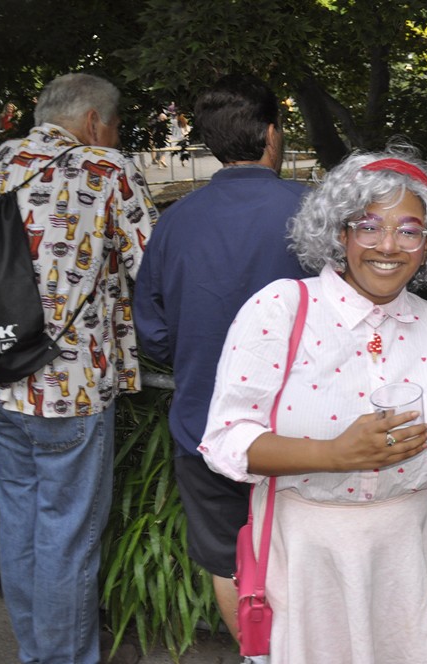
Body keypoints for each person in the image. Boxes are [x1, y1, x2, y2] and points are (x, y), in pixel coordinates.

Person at [199, 145, 427, 663]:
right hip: (307, 556)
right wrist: (336, 454)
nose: (388, 245)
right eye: (368, 225)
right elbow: (224, 441)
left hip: (409, 557)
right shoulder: (280, 310)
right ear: (340, 232)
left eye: (409, 229)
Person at [133, 73, 313, 643]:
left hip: (205, 424)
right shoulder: (314, 212)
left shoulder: (174, 223)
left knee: (230, 564)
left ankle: (256, 656)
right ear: (270, 133)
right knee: (306, 559)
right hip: (304, 431)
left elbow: (153, 333)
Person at [0, 72, 158, 663]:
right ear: (93, 123)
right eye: (114, 127)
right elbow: (153, 270)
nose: (114, 138)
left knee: (22, 522)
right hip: (71, 384)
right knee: (67, 534)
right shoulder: (104, 170)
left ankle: (38, 650)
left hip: (0, 374)